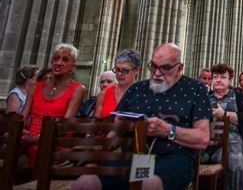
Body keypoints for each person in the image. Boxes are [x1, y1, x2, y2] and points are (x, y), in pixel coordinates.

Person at [71, 43, 211, 190]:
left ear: (180, 68)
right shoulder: (137, 89)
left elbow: (202, 138)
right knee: (85, 183)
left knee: (147, 184)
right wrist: (110, 134)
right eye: (154, 66)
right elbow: (114, 133)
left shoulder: (195, 89)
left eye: (165, 68)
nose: (157, 73)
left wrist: (167, 130)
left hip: (173, 157)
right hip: (133, 157)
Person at [22, 43, 86, 168]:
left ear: (73, 67)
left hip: (55, 142)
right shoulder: (36, 86)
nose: (59, 63)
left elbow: (65, 126)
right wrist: (22, 132)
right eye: (56, 58)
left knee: (38, 153)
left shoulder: (78, 89)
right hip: (29, 141)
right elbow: (22, 117)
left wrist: (36, 139)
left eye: (65, 59)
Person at [205, 63, 243, 190]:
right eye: (215, 77)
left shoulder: (239, 97)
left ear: (230, 80)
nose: (219, 80)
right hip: (205, 142)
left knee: (235, 160)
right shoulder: (204, 98)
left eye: (223, 77)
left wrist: (225, 114)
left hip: (233, 141)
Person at [94, 49, 141, 119]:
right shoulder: (105, 93)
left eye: (125, 70)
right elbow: (95, 123)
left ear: (137, 70)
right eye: (117, 69)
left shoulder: (143, 93)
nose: (119, 74)